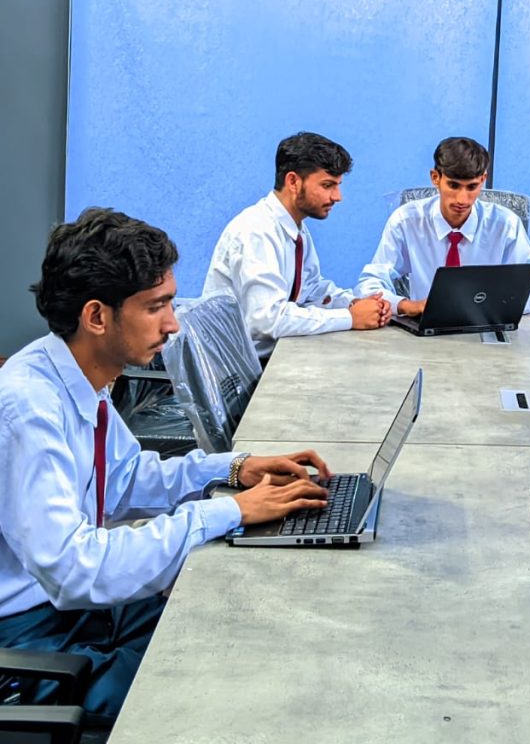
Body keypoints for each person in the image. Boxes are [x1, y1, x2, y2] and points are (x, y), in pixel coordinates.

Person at [0, 208, 331, 725]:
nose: (173, 324)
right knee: (215, 690)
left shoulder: (78, 377)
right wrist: (229, 513)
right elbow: (74, 569)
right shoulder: (30, 408)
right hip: (32, 642)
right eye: (156, 307)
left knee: (239, 620)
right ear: (97, 317)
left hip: (70, 612)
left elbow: (126, 479)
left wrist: (234, 469)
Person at [204, 131, 389, 360]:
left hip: (271, 359)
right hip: (243, 369)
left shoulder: (295, 227)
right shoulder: (256, 231)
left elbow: (311, 289)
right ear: (293, 181)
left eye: (338, 185)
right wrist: (350, 318)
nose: (337, 196)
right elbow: (267, 320)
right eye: (328, 185)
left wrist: (354, 303)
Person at [355, 136, 530, 317]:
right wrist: (408, 306)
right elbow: (368, 286)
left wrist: (486, 305)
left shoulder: (506, 225)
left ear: (483, 180)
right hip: (426, 331)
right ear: (435, 178)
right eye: (454, 185)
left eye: (472, 187)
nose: (462, 199)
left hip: (486, 326)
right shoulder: (406, 221)